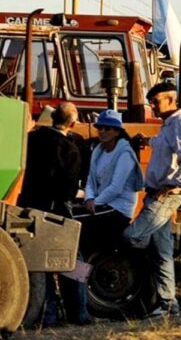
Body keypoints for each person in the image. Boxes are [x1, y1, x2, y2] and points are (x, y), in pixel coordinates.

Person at [123, 82, 181, 317]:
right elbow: (165, 146)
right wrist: (147, 142)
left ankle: (138, 290)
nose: (152, 107)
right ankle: (168, 304)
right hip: (157, 194)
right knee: (161, 252)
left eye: (155, 102)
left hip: (164, 196)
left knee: (132, 237)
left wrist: (173, 185)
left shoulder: (180, 123)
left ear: (169, 100)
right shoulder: (168, 126)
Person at [17, 102, 90, 326]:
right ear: (73, 123)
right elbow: (68, 189)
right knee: (75, 262)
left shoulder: (31, 140)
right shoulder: (71, 149)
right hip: (56, 210)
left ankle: (48, 314)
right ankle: (79, 313)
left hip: (29, 207)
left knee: (40, 262)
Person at [81, 109, 144, 254]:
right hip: (101, 203)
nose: (102, 131)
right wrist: (89, 198)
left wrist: (94, 202)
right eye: (100, 128)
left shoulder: (125, 154)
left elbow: (116, 187)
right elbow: (90, 179)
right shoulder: (98, 151)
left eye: (107, 128)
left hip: (119, 208)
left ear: (117, 132)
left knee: (82, 224)